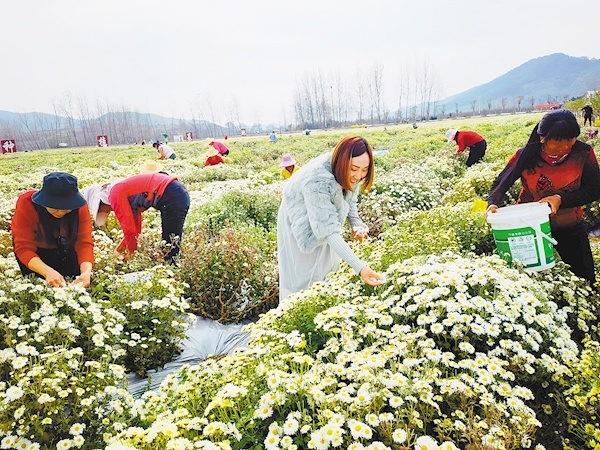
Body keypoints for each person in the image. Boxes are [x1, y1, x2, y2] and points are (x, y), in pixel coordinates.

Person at [486, 109, 600, 284]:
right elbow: (502, 182)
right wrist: (492, 203)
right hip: (528, 225)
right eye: (557, 145)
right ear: (542, 138)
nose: (563, 150)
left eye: (569, 143)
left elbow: (594, 189)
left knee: (584, 277)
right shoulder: (527, 155)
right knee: (529, 276)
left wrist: (561, 199)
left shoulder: (582, 153)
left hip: (568, 223)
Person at [277, 135, 385, 302]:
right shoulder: (317, 180)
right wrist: (360, 268)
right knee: (301, 274)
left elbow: (350, 197)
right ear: (343, 162)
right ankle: (294, 311)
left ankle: (324, 304)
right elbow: (328, 231)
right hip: (297, 217)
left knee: (328, 266)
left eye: (364, 170)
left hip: (321, 213)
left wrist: (356, 223)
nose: (358, 176)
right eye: (354, 169)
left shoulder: (348, 170)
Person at [83, 168, 190, 265]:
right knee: (170, 243)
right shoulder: (126, 196)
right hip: (176, 192)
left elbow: (129, 228)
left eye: (101, 210)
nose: (107, 212)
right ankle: (173, 270)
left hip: (172, 194)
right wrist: (119, 249)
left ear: (101, 203)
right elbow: (135, 230)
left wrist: (131, 256)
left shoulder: (115, 194)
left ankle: (174, 274)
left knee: (170, 246)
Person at [10, 172, 94, 288]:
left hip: (66, 250)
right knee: (40, 290)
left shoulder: (80, 206)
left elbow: (84, 243)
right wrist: (47, 272)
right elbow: (23, 247)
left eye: (67, 208)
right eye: (55, 207)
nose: (61, 212)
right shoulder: (27, 203)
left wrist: (86, 272)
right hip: (37, 255)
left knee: (73, 285)